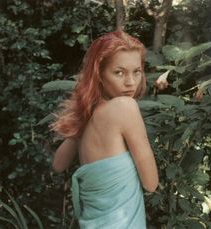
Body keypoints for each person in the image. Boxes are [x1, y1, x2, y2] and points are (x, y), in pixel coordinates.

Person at [51, 30, 159, 229]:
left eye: (137, 71)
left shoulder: (87, 117)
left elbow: (58, 164)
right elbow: (151, 183)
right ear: (99, 73)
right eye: (119, 72)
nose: (131, 82)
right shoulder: (125, 107)